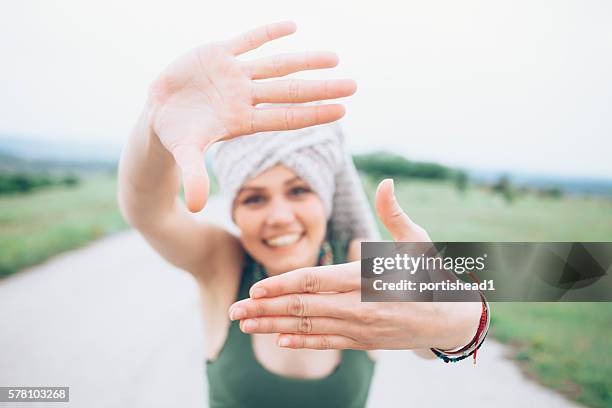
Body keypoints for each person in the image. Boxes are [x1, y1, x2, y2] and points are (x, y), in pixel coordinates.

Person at [118, 21, 485, 408]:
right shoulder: (221, 263)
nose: (279, 216)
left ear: (326, 197)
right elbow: (148, 210)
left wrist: (459, 319)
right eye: (254, 199)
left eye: (298, 190)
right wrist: (153, 120)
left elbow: (544, 275)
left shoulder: (358, 261)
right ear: (234, 212)